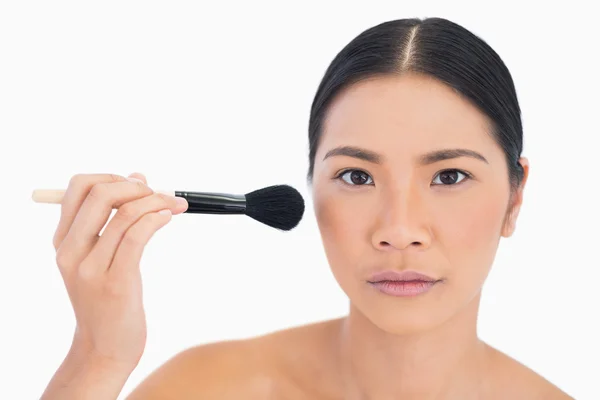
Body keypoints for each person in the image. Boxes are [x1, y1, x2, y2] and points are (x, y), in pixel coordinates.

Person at [41, 17, 573, 399]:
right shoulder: (203, 389)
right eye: (357, 176)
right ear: (310, 188)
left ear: (515, 198)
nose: (400, 229)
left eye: (449, 176)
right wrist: (98, 357)